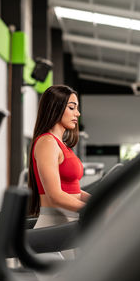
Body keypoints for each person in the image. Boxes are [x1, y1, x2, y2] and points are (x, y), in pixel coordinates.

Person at [28, 85, 90, 258]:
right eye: (72, 107)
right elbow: (55, 194)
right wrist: (91, 209)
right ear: (55, 108)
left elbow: (72, 188)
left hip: (67, 227)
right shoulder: (47, 142)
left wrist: (99, 201)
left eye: (77, 108)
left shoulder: (61, 145)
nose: (77, 113)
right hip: (51, 231)